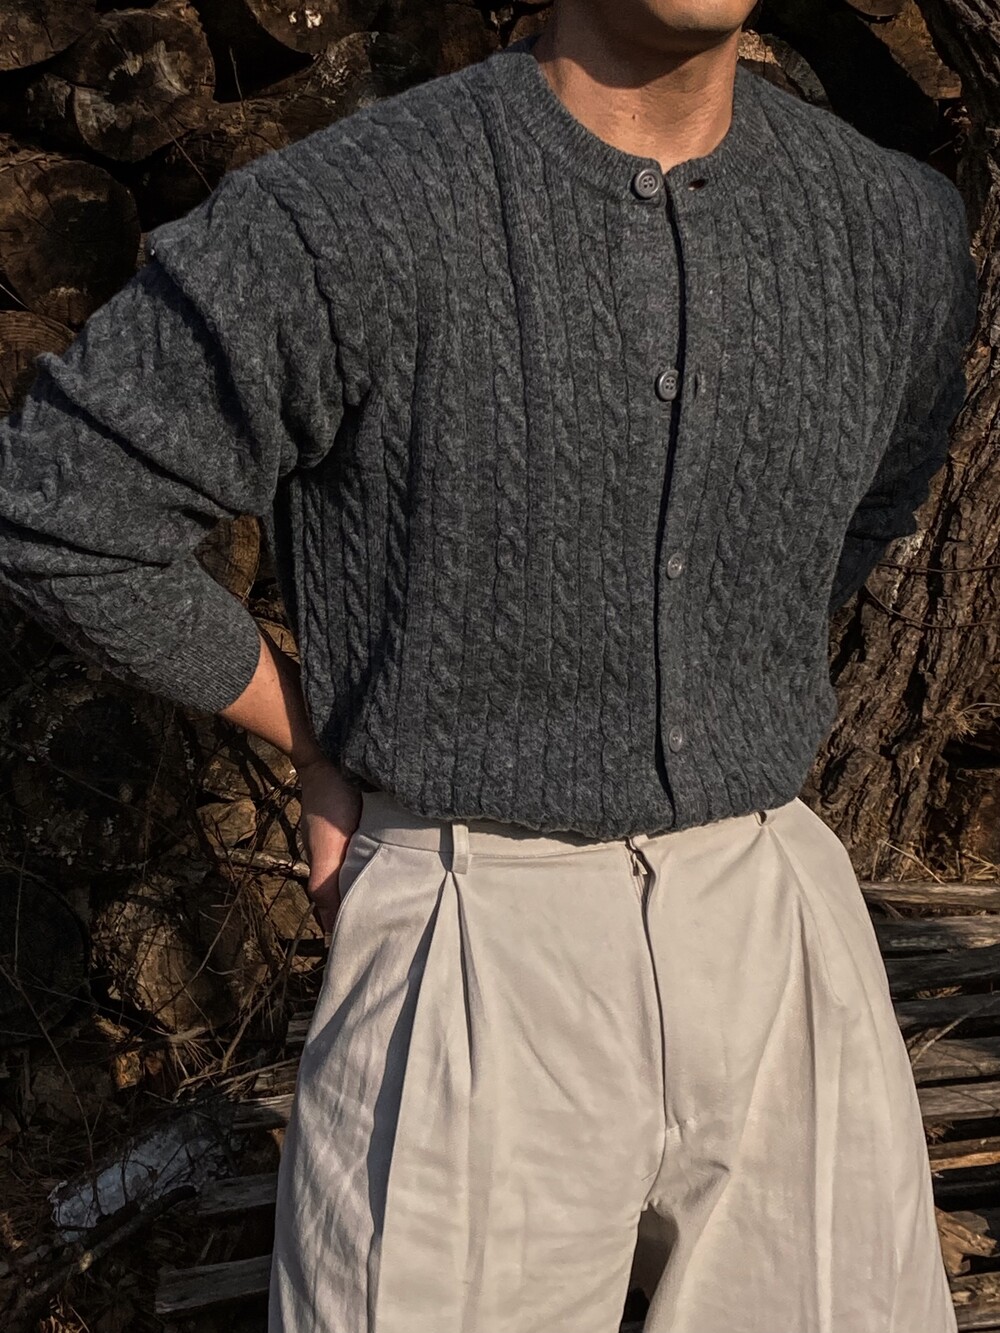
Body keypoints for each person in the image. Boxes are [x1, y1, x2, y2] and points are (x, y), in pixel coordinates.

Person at [0, 0, 978, 1328]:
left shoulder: (894, 230)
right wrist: (312, 733)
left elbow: (880, 496)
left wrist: (717, 657)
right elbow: (64, 506)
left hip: (779, 922)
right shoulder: (349, 212)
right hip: (470, 937)